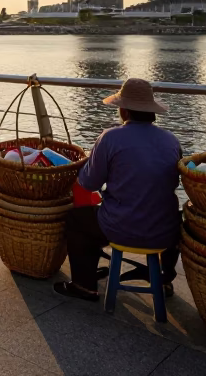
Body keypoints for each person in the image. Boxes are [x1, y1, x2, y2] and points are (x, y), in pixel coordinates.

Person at [54, 77, 182, 301]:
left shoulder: (110, 138)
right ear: (151, 111)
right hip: (164, 231)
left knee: (76, 219)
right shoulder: (171, 140)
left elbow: (89, 184)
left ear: (124, 110)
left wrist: (85, 166)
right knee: (174, 215)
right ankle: (164, 279)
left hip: (121, 227)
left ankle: (84, 285)